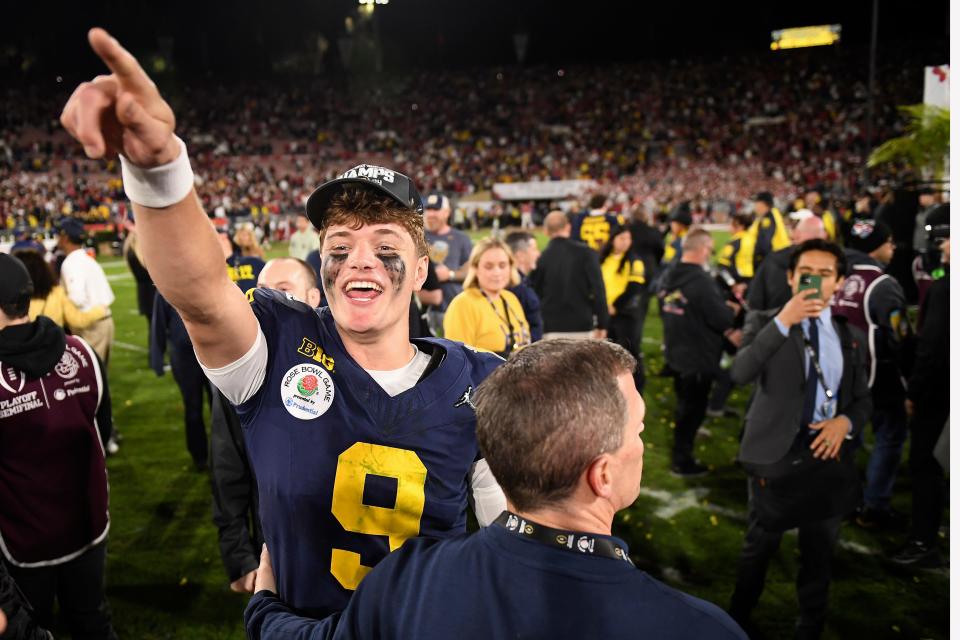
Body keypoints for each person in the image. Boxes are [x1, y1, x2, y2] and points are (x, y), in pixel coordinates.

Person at [60, 30, 506, 618]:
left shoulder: (482, 381)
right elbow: (199, 294)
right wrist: (158, 169)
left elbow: (509, 548)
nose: (360, 259)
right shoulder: (279, 342)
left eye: (385, 243)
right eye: (339, 244)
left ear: (422, 270)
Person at [244, 340, 747, 640]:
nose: (643, 444)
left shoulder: (408, 578)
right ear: (603, 476)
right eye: (637, 430)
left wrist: (265, 605)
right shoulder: (697, 629)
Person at [728, 239, 871, 639]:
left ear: (840, 283)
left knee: (819, 551)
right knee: (759, 547)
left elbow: (862, 399)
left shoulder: (850, 334)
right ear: (791, 278)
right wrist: (784, 322)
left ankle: (810, 625)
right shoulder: (765, 321)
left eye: (826, 275)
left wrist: (846, 422)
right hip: (775, 455)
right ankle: (736, 619)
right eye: (807, 272)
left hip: (828, 453)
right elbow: (740, 372)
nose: (816, 281)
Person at [0, 254, 117, 639]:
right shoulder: (83, 352)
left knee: (36, 628)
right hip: (88, 527)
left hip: (25, 542)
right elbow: (103, 428)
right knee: (92, 621)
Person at [211, 257, 322, 593]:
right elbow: (227, 467)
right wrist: (239, 555)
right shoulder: (241, 368)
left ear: (314, 297)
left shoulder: (346, 352)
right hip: (276, 550)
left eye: (283, 291)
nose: (267, 300)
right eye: (261, 292)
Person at [831, 219, 912, 528]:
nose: (892, 247)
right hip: (875, 379)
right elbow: (900, 337)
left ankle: (841, 502)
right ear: (874, 246)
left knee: (844, 440)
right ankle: (875, 506)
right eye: (888, 241)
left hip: (835, 376)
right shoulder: (883, 285)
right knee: (890, 437)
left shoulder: (829, 275)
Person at [891, 210, 949, 568]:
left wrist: (913, 392)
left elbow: (933, 348)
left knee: (926, 464)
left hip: (940, 394)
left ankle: (923, 540)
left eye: (946, 239)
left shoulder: (947, 288)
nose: (941, 246)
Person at [659, 229, 738, 476]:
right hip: (698, 355)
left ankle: (686, 439)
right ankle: (681, 460)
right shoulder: (702, 281)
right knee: (691, 409)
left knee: (685, 404)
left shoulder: (669, 274)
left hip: (676, 349)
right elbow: (721, 318)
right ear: (703, 249)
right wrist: (731, 309)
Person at [443, 237, 531, 358]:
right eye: (489, 267)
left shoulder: (510, 298)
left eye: (502, 265)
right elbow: (458, 360)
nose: (497, 272)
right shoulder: (463, 304)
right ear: (475, 268)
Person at [529, 211, 608, 339]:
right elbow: (599, 291)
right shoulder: (587, 253)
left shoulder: (541, 258)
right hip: (582, 324)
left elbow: (534, 294)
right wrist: (602, 324)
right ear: (568, 227)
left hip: (550, 327)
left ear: (546, 231)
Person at [55, 217, 115, 364]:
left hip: (90, 326)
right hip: (104, 320)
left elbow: (77, 298)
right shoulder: (86, 258)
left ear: (65, 238)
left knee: (89, 379)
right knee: (100, 375)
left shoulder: (71, 262)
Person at [746, 213, 826, 311]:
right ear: (824, 236)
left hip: (774, 321)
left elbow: (754, 300)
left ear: (796, 233)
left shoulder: (773, 259)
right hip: (812, 322)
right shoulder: (833, 263)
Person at [13, 249, 108, 331]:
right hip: (52, 348)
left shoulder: (10, 299)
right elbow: (77, 320)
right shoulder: (57, 293)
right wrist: (100, 310)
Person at [600, 224, 646, 392]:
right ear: (613, 239)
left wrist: (616, 306)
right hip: (606, 314)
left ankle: (637, 388)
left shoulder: (635, 260)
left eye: (628, 238)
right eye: (622, 238)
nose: (626, 242)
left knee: (630, 352)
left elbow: (635, 287)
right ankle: (615, 387)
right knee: (608, 352)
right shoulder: (603, 258)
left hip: (626, 314)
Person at [423, 192, 472, 335]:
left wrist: (449, 275)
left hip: (455, 307)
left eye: (435, 210)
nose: (430, 214)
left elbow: (471, 271)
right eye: (428, 209)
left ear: (447, 213)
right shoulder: (417, 236)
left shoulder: (461, 238)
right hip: (427, 310)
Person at [503, 230, 544, 341]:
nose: (538, 253)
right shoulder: (514, 286)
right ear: (520, 255)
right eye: (534, 249)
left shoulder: (523, 282)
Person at [747, 191, 790, 270]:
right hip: (777, 258)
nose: (755, 206)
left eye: (756, 202)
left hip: (773, 260)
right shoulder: (770, 216)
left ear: (763, 204)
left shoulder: (768, 218)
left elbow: (764, 242)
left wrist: (757, 259)